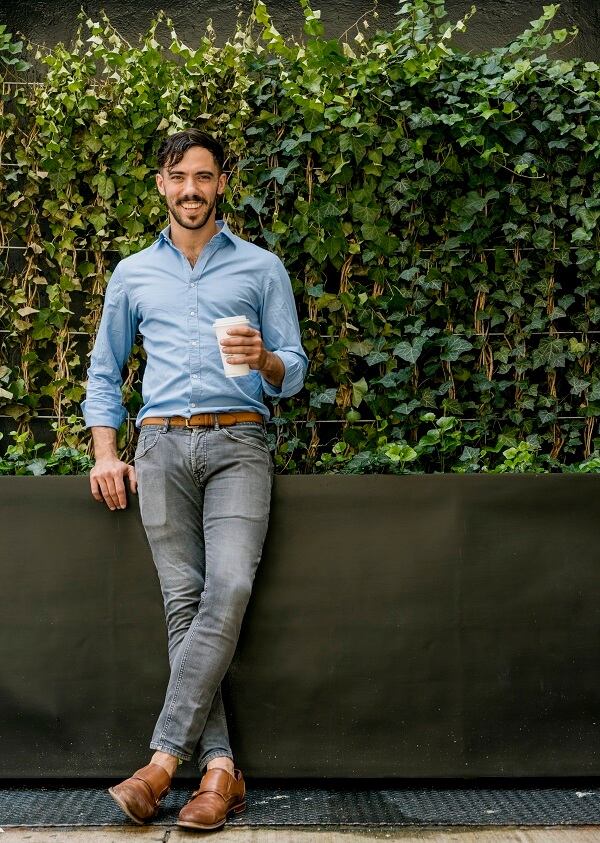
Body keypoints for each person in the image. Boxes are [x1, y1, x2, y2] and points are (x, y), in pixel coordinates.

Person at [81, 128, 307, 831]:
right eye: (178, 177)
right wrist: (105, 450)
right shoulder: (131, 274)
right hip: (157, 448)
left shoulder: (262, 268)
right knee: (184, 604)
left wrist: (266, 359)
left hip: (238, 440)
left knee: (228, 586)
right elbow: (103, 371)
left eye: (203, 177)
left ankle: (159, 763)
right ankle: (217, 772)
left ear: (220, 184)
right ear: (161, 182)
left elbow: (294, 372)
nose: (190, 190)